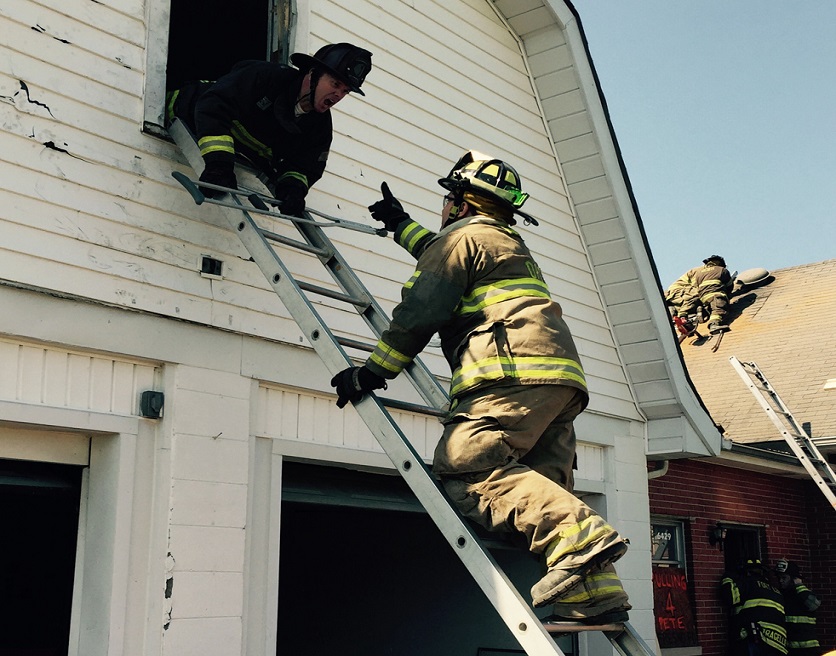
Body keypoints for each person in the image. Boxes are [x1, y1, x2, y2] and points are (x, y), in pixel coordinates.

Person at [329, 151, 630, 623]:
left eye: (447, 201)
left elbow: (423, 306)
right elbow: (443, 255)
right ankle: (596, 594)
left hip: (509, 375)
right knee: (541, 487)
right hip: (557, 383)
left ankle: (585, 539)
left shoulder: (463, 239)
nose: (443, 210)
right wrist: (400, 223)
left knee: (465, 466)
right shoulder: (502, 244)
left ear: (461, 205)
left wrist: (373, 372)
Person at [166, 42, 372, 212]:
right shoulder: (264, 78)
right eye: (335, 84)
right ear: (312, 75)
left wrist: (293, 190)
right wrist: (219, 164)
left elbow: (304, 167)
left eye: (345, 91)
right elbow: (213, 107)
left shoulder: (320, 127)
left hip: (236, 148)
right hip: (179, 109)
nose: (338, 95)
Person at [720, 559, 788, 655]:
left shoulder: (747, 584)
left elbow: (729, 596)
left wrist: (727, 577)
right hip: (778, 643)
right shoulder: (777, 592)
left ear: (747, 572)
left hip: (756, 639)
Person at [665, 255, 734, 334]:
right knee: (694, 297)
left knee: (698, 298)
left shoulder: (702, 271)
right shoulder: (708, 271)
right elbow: (700, 287)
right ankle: (682, 318)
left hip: (684, 293)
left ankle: (680, 313)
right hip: (679, 290)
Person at [775, 559, 823, 656]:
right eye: (779, 577)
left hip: (809, 650)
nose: (780, 581)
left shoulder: (803, 595)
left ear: (793, 579)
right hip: (790, 650)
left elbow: (813, 604)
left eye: (784, 578)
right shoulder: (781, 596)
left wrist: (799, 585)